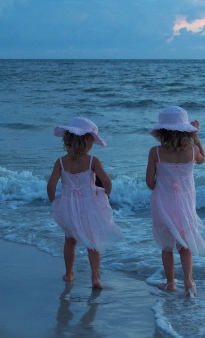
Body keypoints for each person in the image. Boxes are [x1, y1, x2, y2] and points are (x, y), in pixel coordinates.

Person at [47, 117, 124, 289]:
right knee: (93, 242)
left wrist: (55, 201)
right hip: (89, 206)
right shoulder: (92, 161)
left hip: (68, 206)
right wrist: (104, 196)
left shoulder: (61, 162)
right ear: (89, 141)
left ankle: (69, 274)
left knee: (70, 240)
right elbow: (107, 182)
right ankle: (95, 277)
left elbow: (51, 185)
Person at [146, 106, 205, 297]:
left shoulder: (155, 152)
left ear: (162, 132)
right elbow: (203, 159)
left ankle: (171, 282)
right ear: (186, 130)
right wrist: (196, 137)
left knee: (167, 245)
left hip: (163, 203)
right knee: (185, 243)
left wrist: (165, 184)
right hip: (185, 204)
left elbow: (150, 182)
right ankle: (189, 282)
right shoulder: (193, 150)